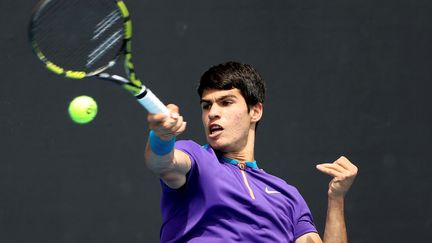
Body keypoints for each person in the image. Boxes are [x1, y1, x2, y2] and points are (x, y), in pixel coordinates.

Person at [145, 61, 358, 243]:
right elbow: (162, 162)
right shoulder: (195, 158)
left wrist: (336, 198)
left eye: (226, 102)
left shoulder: (288, 197)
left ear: (255, 111)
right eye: (206, 106)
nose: (213, 113)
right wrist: (162, 136)